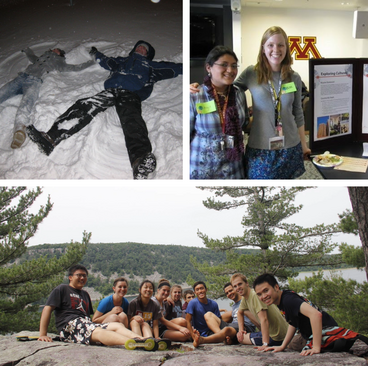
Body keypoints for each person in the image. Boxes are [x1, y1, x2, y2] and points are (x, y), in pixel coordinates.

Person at [27, 40, 183, 179]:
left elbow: (173, 68)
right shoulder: (122, 61)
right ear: (134, 49)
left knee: (132, 120)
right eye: (139, 47)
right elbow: (106, 61)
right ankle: (50, 139)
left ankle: (140, 161)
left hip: (131, 94)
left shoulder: (151, 65)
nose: (141, 49)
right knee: (85, 105)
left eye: (144, 49)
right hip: (111, 90)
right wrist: (96, 53)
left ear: (147, 54)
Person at [191, 26, 311, 179]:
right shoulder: (251, 73)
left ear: (287, 47)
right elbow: (226, 86)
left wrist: (304, 145)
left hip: (290, 146)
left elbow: (298, 113)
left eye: (281, 45)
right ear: (263, 48)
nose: (276, 49)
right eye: (270, 45)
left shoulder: (294, 77)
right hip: (260, 148)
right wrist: (200, 87)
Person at [0, 47, 94, 149]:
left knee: (26, 104)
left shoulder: (59, 61)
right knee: (3, 92)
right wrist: (27, 50)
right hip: (21, 77)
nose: (53, 49)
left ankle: (19, 129)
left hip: (34, 82)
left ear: (60, 53)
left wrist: (91, 62)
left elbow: (75, 68)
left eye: (56, 49)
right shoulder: (42, 57)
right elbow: (32, 57)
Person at [253, 273, 368, 356]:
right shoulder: (282, 299)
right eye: (259, 294)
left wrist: (316, 347)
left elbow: (316, 315)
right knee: (293, 344)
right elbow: (293, 322)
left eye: (266, 291)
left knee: (296, 344)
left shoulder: (288, 300)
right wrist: (282, 346)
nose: (263, 296)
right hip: (314, 331)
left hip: (324, 331)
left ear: (276, 287)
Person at [38, 264, 143, 346]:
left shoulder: (85, 294)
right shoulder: (62, 289)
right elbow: (47, 309)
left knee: (117, 325)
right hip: (70, 325)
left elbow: (88, 318)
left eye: (84, 276)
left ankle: (142, 340)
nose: (82, 278)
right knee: (98, 331)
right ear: (70, 277)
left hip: (86, 324)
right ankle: (134, 343)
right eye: (79, 275)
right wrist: (43, 334)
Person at [190, 45, 249, 179]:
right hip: (204, 167)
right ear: (208, 67)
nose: (230, 70)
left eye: (234, 66)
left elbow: (244, 123)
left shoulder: (239, 94)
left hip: (233, 168)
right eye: (224, 65)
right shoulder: (195, 95)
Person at [230, 273, 288, 351]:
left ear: (246, 283)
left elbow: (264, 320)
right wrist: (241, 330)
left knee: (242, 339)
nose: (238, 288)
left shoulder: (255, 295)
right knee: (241, 335)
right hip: (280, 333)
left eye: (240, 284)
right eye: (235, 286)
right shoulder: (245, 298)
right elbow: (240, 313)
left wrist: (265, 344)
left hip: (276, 337)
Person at [192, 282, 256, 348]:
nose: (229, 293)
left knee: (226, 329)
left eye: (231, 290)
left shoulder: (245, 300)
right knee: (208, 314)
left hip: (244, 326)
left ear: (236, 289)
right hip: (232, 325)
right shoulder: (234, 305)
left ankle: (202, 340)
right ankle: (222, 338)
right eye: (227, 293)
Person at [185, 281, 236, 348]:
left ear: (206, 289)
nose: (200, 291)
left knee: (231, 314)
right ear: (195, 293)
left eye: (201, 288)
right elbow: (188, 320)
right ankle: (223, 337)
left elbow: (218, 320)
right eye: (197, 290)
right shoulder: (192, 303)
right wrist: (193, 336)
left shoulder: (213, 304)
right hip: (201, 332)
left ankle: (223, 336)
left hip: (213, 330)